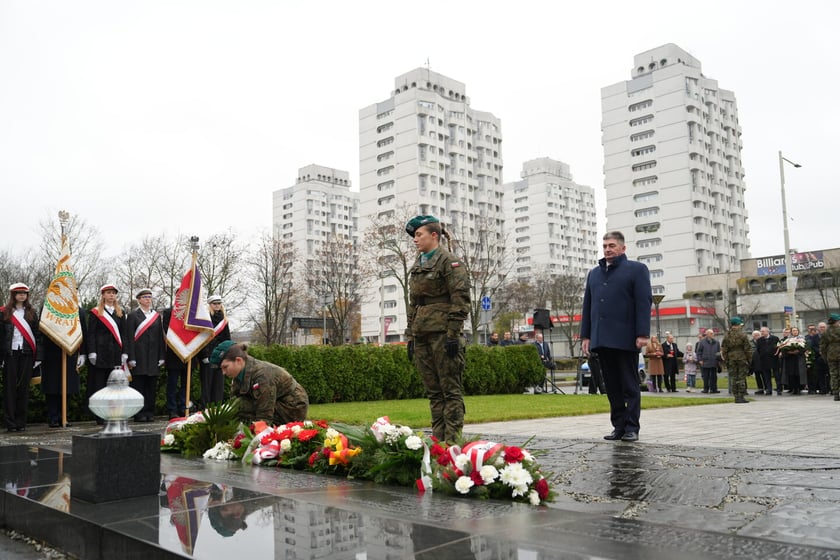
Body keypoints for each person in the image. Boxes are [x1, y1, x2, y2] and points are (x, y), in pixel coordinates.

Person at [580, 231, 652, 443]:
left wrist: (642, 333)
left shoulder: (636, 270)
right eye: (604, 246)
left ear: (622, 248)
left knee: (629, 385)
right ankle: (618, 426)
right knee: (611, 387)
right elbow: (588, 306)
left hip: (626, 338)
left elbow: (643, 302)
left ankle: (632, 427)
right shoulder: (594, 273)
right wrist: (586, 335)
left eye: (611, 245)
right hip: (601, 339)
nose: (607, 249)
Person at [404, 215, 470, 443]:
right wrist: (411, 336)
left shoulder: (450, 262)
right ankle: (438, 442)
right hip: (422, 334)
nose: (415, 239)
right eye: (414, 236)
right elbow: (414, 303)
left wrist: (453, 333)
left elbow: (460, 299)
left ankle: (452, 444)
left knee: (450, 391)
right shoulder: (418, 265)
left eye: (419, 234)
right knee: (434, 393)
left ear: (434, 235)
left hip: (444, 335)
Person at [210, 340, 309, 425]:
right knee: (236, 406)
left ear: (238, 360)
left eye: (225, 367)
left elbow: (264, 415)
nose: (223, 373)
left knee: (241, 406)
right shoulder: (238, 374)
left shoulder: (262, 376)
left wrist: (254, 440)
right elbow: (233, 403)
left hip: (291, 408)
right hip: (276, 403)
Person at [1, 283, 43, 432]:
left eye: (24, 293)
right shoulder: (4, 312)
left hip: (26, 354)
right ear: (13, 295)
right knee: (9, 389)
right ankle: (10, 423)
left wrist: (38, 357)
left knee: (24, 389)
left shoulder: (32, 312)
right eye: (18, 293)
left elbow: (37, 336)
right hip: (10, 354)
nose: (21, 295)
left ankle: (21, 422)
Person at [86, 284, 130, 424]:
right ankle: (100, 415)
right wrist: (92, 351)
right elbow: (91, 333)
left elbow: (124, 334)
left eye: (113, 293)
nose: (111, 295)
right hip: (100, 354)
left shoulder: (120, 312)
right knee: (99, 386)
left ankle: (112, 413)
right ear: (103, 295)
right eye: (108, 293)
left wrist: (125, 352)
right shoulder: (95, 312)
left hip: (115, 354)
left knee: (114, 386)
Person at [126, 289, 165, 421]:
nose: (148, 299)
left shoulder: (156, 316)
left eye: (149, 297)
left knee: (151, 387)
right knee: (138, 386)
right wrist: (130, 357)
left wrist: (161, 356)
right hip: (139, 356)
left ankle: (149, 412)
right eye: (145, 297)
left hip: (153, 357)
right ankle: (139, 413)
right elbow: (129, 338)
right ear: (139, 299)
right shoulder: (133, 316)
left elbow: (160, 337)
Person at [197, 295, 231, 408]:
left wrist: (226, 355)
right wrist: (204, 355)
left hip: (220, 355)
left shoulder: (224, 320)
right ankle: (205, 409)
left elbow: (227, 339)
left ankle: (217, 408)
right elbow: (201, 338)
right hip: (207, 354)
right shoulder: (206, 319)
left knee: (218, 384)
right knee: (207, 384)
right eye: (214, 304)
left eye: (219, 303)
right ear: (210, 305)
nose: (217, 305)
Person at [162, 307, 189, 419]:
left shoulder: (192, 312)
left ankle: (184, 407)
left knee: (185, 384)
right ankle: (172, 409)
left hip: (189, 352)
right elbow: (168, 330)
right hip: (174, 353)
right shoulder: (169, 312)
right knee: (172, 384)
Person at [720, 317, 752, 403]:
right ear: (738, 325)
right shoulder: (743, 335)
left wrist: (726, 359)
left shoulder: (727, 335)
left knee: (734, 378)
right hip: (741, 358)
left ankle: (736, 396)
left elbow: (724, 349)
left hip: (731, 358)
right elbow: (748, 348)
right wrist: (749, 359)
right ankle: (741, 396)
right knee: (741, 377)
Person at [779, 326, 807, 395]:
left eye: (796, 330)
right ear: (791, 332)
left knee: (798, 374)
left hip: (798, 359)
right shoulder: (788, 340)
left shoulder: (802, 339)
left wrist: (798, 351)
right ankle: (793, 388)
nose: (795, 332)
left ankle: (799, 388)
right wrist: (789, 352)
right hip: (790, 359)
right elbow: (783, 348)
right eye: (793, 330)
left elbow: (805, 348)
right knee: (791, 374)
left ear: (798, 331)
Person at [819, 314, 840, 401]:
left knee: (833, 375)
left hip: (831, 356)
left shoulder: (825, 332)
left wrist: (825, 357)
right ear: (836, 321)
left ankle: (836, 394)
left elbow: (822, 347)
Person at [756, 327, 781, 395]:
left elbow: (779, 347)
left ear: (768, 331)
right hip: (764, 360)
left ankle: (779, 389)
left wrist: (776, 354)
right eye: (761, 331)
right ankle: (769, 389)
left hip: (774, 359)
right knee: (767, 376)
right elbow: (758, 350)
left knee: (777, 376)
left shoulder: (775, 338)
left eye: (763, 331)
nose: (762, 333)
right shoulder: (759, 340)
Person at [696, 329, 721, 393]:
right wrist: (700, 360)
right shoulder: (702, 342)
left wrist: (718, 361)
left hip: (713, 361)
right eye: (711, 333)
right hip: (705, 361)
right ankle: (706, 389)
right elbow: (698, 352)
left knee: (714, 377)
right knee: (706, 376)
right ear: (707, 334)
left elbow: (718, 352)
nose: (713, 335)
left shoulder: (717, 342)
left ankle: (714, 389)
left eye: (713, 333)